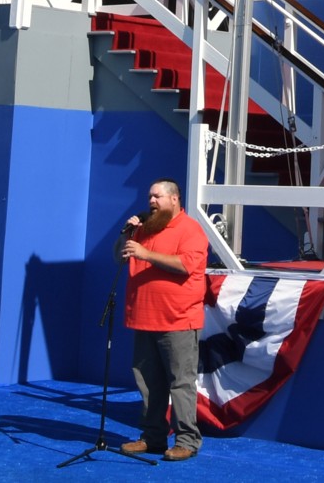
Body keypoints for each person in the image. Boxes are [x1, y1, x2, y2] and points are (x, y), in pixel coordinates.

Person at [120, 179, 210, 462]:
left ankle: (187, 440)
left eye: (157, 196)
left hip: (177, 319)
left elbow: (186, 265)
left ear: (174, 199)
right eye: (149, 196)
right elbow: (119, 257)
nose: (151, 201)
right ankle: (153, 437)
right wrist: (127, 235)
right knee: (148, 383)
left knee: (180, 383)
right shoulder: (144, 229)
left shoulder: (190, 230)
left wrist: (145, 253)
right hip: (144, 318)